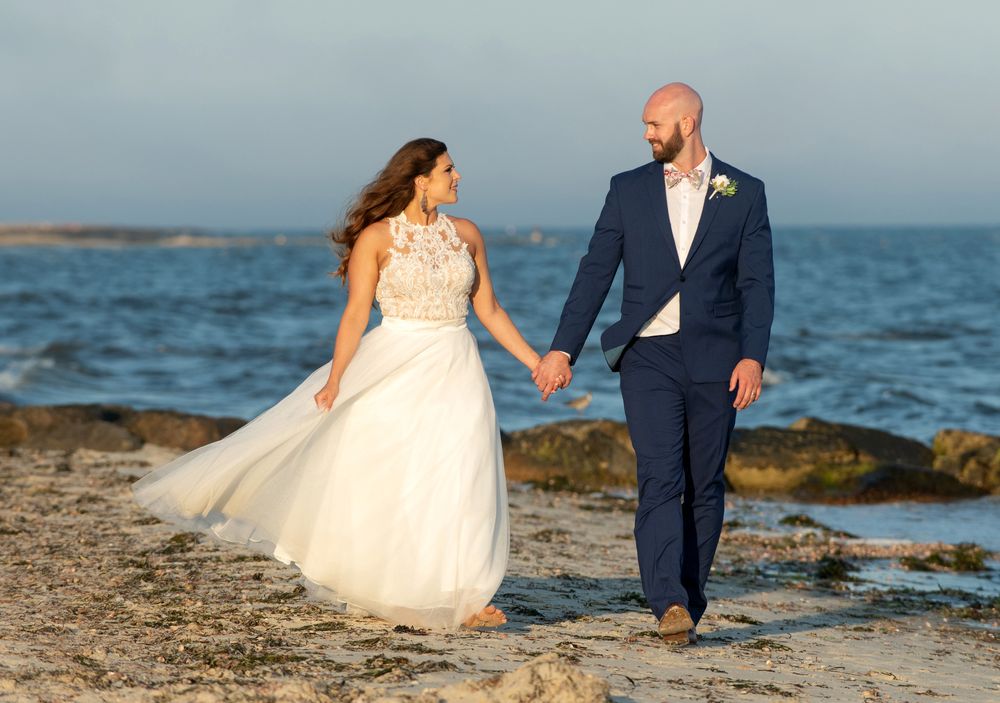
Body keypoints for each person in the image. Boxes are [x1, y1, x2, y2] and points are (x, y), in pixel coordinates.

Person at [132, 138, 542, 630]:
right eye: (449, 170)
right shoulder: (377, 239)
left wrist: (536, 363)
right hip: (394, 364)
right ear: (420, 180)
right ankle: (392, 585)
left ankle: (465, 596)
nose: (458, 177)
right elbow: (354, 316)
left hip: (457, 366)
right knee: (399, 478)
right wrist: (336, 378)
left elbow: (489, 310)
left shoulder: (468, 234)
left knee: (463, 475)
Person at [533, 83, 774, 644]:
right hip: (648, 354)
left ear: (687, 125)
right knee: (660, 477)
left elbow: (757, 285)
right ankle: (666, 600)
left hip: (718, 356)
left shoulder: (745, 192)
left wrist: (752, 357)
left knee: (705, 483)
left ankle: (691, 597)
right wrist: (562, 348)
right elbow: (595, 271)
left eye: (654, 125)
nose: (646, 135)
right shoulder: (627, 190)